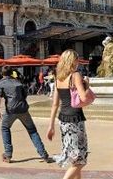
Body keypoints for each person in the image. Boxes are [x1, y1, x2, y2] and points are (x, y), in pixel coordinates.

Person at [47, 49, 89, 179]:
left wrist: (51, 126)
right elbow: (84, 98)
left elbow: (55, 104)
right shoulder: (75, 75)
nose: (78, 63)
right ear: (73, 61)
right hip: (75, 120)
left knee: (74, 158)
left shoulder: (59, 77)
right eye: (77, 60)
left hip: (63, 120)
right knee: (80, 159)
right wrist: (87, 86)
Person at [0, 65, 49, 163]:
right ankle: (43, 154)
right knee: (32, 130)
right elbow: (25, 94)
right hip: (23, 109)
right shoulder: (18, 82)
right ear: (12, 73)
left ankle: (8, 154)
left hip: (10, 110)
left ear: (2, 73)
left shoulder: (0, 83)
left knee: (5, 128)